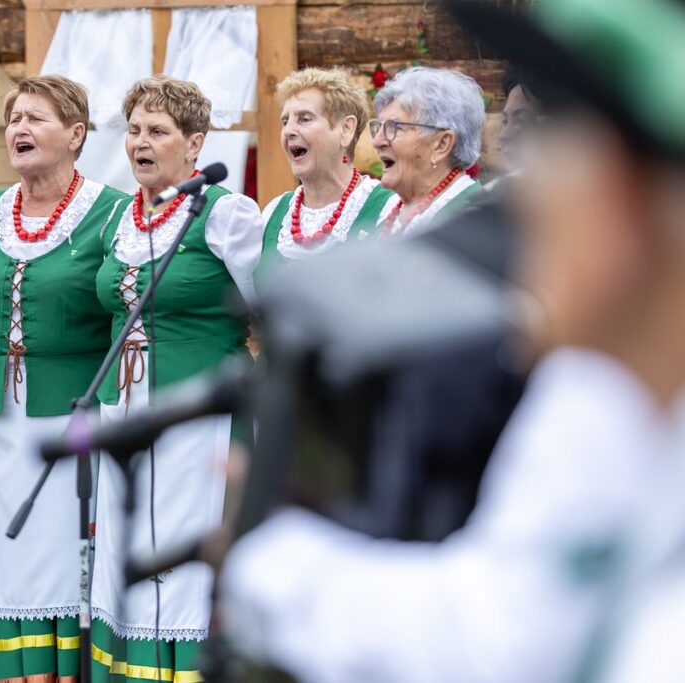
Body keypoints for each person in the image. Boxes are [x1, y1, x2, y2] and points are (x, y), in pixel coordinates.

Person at [216, 0, 685, 681]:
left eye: (564, 145)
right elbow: (495, 621)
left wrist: (266, 555)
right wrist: (279, 553)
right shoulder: (594, 401)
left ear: (632, 205)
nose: (526, 196)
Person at [0, 75, 128, 683]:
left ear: (76, 135)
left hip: (76, 420)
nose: (18, 129)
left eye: (36, 118)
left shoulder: (112, 214)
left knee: (58, 551)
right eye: (13, 119)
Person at [90, 75, 264, 683]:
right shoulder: (118, 217)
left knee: (187, 556)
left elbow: (271, 311)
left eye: (158, 131)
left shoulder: (226, 213)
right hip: (126, 410)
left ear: (194, 145)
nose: (141, 142)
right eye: (134, 130)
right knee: (133, 550)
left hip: (201, 417)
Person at [259, 67, 394, 266]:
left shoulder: (386, 208)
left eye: (304, 119)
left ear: (346, 129)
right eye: (285, 121)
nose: (288, 131)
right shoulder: (273, 213)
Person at [370, 66, 485, 237]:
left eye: (394, 127)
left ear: (441, 144)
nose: (377, 141)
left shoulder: (472, 219)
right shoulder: (389, 210)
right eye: (379, 127)